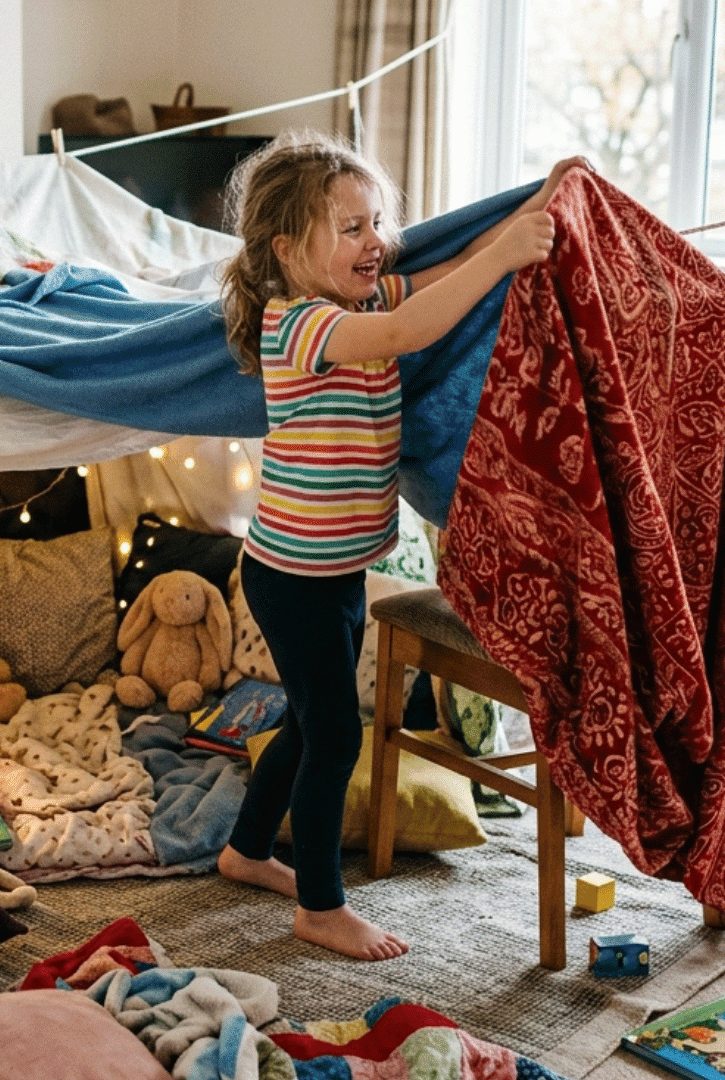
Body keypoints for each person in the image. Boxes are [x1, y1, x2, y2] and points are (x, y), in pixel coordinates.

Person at [214, 130, 574, 961]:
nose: (374, 241)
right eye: (350, 229)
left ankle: (244, 849)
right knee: (336, 733)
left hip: (335, 570)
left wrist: (536, 206)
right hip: (288, 575)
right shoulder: (296, 324)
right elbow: (411, 330)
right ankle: (319, 905)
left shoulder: (366, 300)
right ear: (286, 250)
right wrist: (506, 254)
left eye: (376, 223)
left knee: (311, 724)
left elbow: (449, 273)